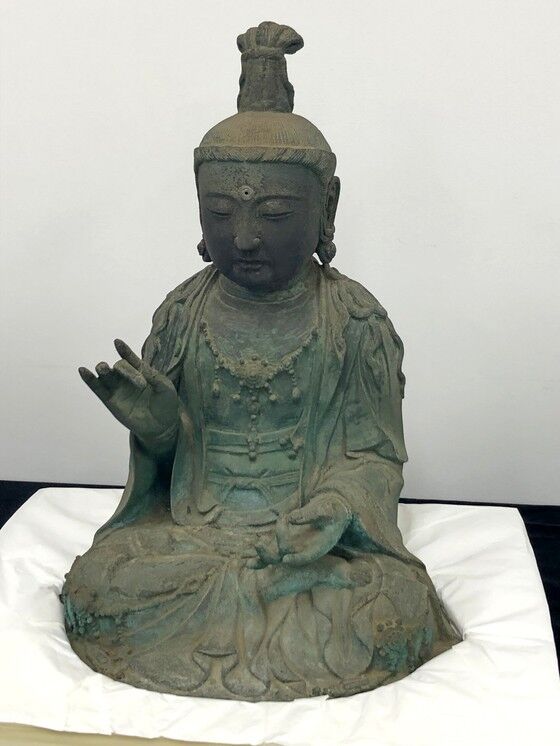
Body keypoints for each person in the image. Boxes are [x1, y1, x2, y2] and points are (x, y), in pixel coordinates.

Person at [62, 21, 460, 701]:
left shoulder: (354, 322)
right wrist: (160, 431)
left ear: (325, 207)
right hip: (194, 538)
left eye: (273, 215)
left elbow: (374, 456)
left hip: (307, 552)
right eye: (221, 213)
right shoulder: (182, 315)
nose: (244, 237)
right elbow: (163, 483)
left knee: (385, 608)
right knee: (105, 585)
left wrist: (333, 509)